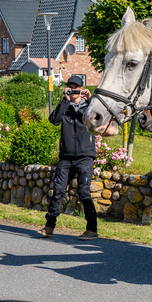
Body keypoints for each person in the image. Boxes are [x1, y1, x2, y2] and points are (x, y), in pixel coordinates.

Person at [39, 74, 99, 240]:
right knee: (57, 191)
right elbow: (54, 120)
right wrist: (65, 100)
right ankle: (49, 227)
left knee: (84, 192)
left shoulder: (89, 107)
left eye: (76, 87)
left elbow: (97, 120)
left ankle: (92, 230)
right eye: (70, 87)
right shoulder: (64, 107)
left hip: (85, 156)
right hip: (66, 157)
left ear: (81, 89)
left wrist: (90, 99)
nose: (73, 90)